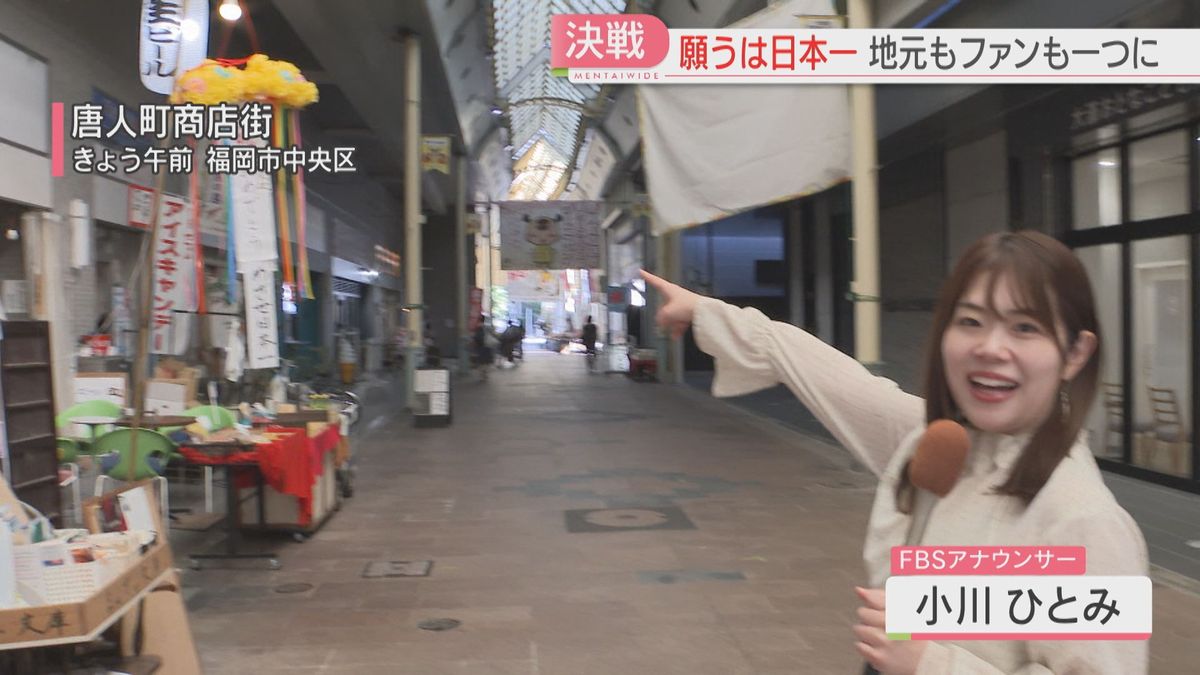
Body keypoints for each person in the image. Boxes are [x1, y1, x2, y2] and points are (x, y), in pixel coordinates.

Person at [641, 231, 1147, 675]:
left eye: (1025, 328)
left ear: (1075, 354)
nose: (991, 347)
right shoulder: (942, 445)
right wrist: (710, 313)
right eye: (970, 321)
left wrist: (933, 665)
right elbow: (844, 386)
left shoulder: (1083, 521)